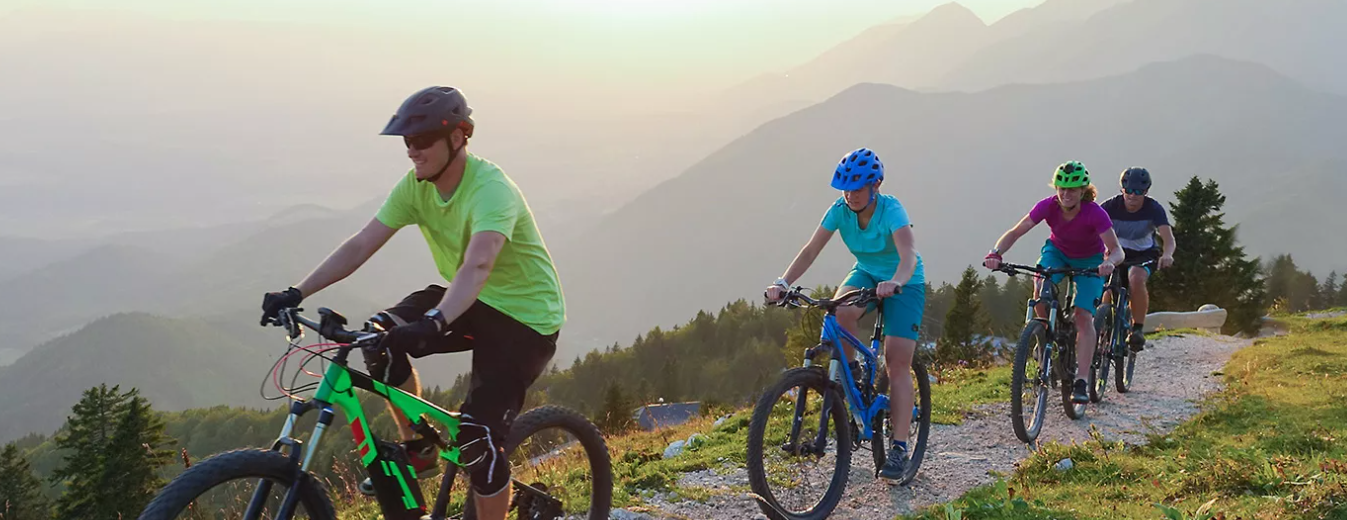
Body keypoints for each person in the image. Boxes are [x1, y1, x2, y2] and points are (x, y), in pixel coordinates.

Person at [258, 86, 564, 519]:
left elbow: (479, 264)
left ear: (459, 137)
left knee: (478, 440)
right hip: (470, 298)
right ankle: (419, 448)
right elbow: (362, 243)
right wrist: (297, 292)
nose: (411, 152)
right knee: (378, 339)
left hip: (525, 319)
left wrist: (437, 320)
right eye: (406, 142)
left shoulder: (491, 190)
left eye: (421, 141)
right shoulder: (416, 187)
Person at [765, 147, 926, 481]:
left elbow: (908, 253)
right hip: (866, 272)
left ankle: (899, 447)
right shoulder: (840, 209)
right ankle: (853, 379)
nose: (850, 194)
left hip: (903, 281)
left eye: (858, 187)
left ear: (875, 185)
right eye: (846, 187)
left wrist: (895, 281)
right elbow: (810, 250)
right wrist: (783, 282)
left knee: (897, 361)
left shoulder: (891, 210)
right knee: (838, 313)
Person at [982, 161, 1124, 404]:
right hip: (1057, 253)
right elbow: (1017, 231)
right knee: (1041, 287)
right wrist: (996, 253)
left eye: (1072, 189)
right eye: (1061, 188)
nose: (1066, 194)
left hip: (1090, 261)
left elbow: (1117, 250)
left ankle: (1080, 380)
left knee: (1083, 317)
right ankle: (1045, 336)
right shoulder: (1048, 206)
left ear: (1083, 191)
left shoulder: (1095, 213)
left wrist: (1109, 263)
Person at [1099, 167, 1175, 351]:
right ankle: (1100, 328)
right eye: (1129, 191)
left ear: (1146, 192)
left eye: (1138, 192)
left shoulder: (1153, 208)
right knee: (1107, 288)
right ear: (1122, 189)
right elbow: (1090, 230)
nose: (1133, 196)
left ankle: (1137, 329)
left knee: (1136, 278)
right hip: (1115, 254)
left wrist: (1167, 254)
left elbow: (1168, 238)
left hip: (1143, 255)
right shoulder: (1109, 207)